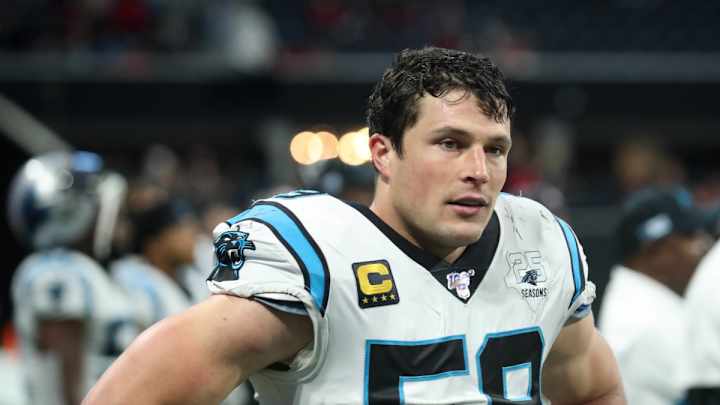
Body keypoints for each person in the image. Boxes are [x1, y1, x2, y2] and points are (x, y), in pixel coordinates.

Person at [83, 47, 625, 404]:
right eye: (450, 143)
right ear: (383, 153)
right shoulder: (317, 257)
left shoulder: (538, 243)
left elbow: (593, 390)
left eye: (495, 149)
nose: (479, 171)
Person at [8, 150, 140, 405]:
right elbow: (67, 383)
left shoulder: (95, 273)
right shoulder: (58, 271)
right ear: (71, 211)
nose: (118, 221)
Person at [598, 187, 711, 405]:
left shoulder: (641, 299)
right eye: (691, 236)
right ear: (656, 252)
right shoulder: (647, 319)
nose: (704, 245)